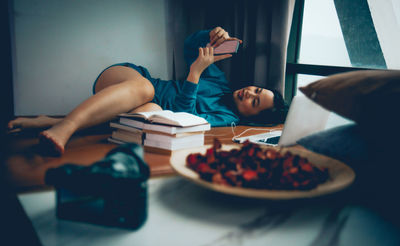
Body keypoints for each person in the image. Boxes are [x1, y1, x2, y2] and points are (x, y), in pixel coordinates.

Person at [8, 27, 288, 155]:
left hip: (140, 105)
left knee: (152, 113)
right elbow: (191, 46)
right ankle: (64, 128)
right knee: (145, 89)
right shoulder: (220, 83)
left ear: (251, 117)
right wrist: (211, 36)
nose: (249, 93)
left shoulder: (225, 118)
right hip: (129, 78)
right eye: (256, 89)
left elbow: (183, 117)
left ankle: (51, 121)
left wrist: (193, 74)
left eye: (255, 102)